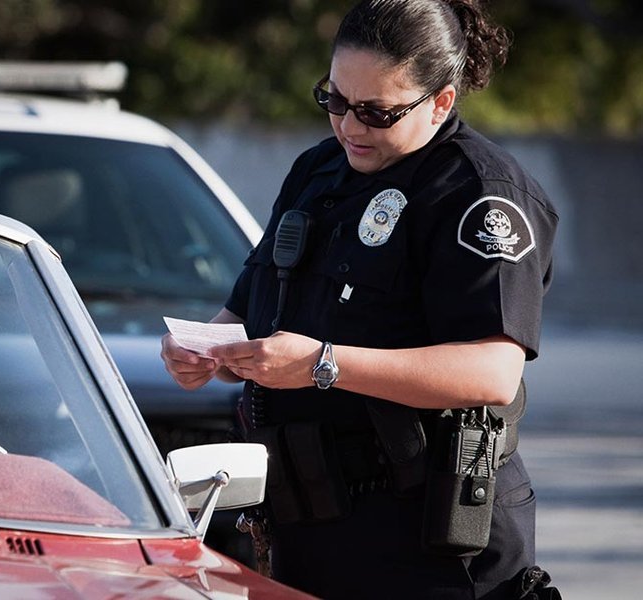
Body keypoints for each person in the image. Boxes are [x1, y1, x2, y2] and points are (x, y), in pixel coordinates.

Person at [161, 1, 559, 598]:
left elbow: (491, 370)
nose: (349, 126)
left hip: (429, 544)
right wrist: (206, 353)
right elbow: (248, 312)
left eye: (376, 111)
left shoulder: (481, 195)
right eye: (336, 100)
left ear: (441, 103)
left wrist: (323, 364)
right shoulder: (318, 173)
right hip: (308, 531)